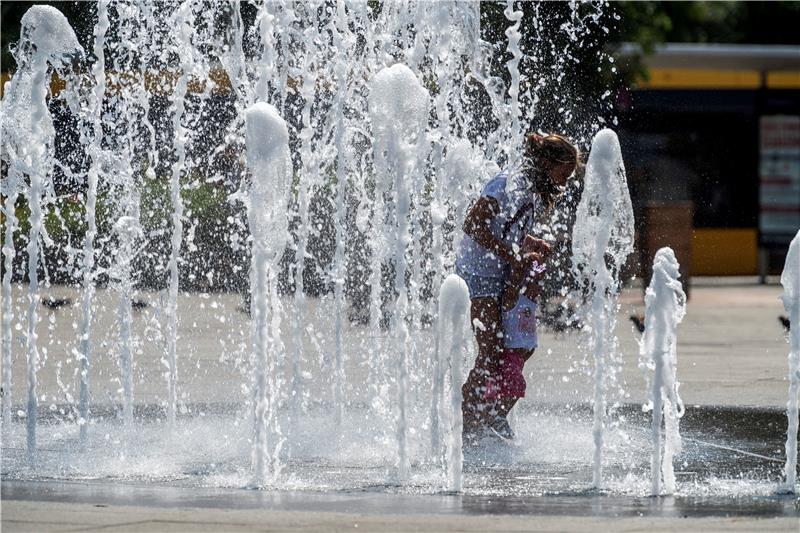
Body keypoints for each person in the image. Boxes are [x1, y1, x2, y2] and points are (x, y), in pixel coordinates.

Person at [455, 132, 579, 441]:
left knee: (516, 349)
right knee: (489, 351)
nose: (564, 182)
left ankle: (489, 417)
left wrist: (529, 244)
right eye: (563, 174)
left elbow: (507, 231)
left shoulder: (532, 192)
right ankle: (466, 424)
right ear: (548, 163)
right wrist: (512, 254)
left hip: (501, 273)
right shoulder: (507, 185)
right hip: (478, 275)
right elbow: (473, 225)